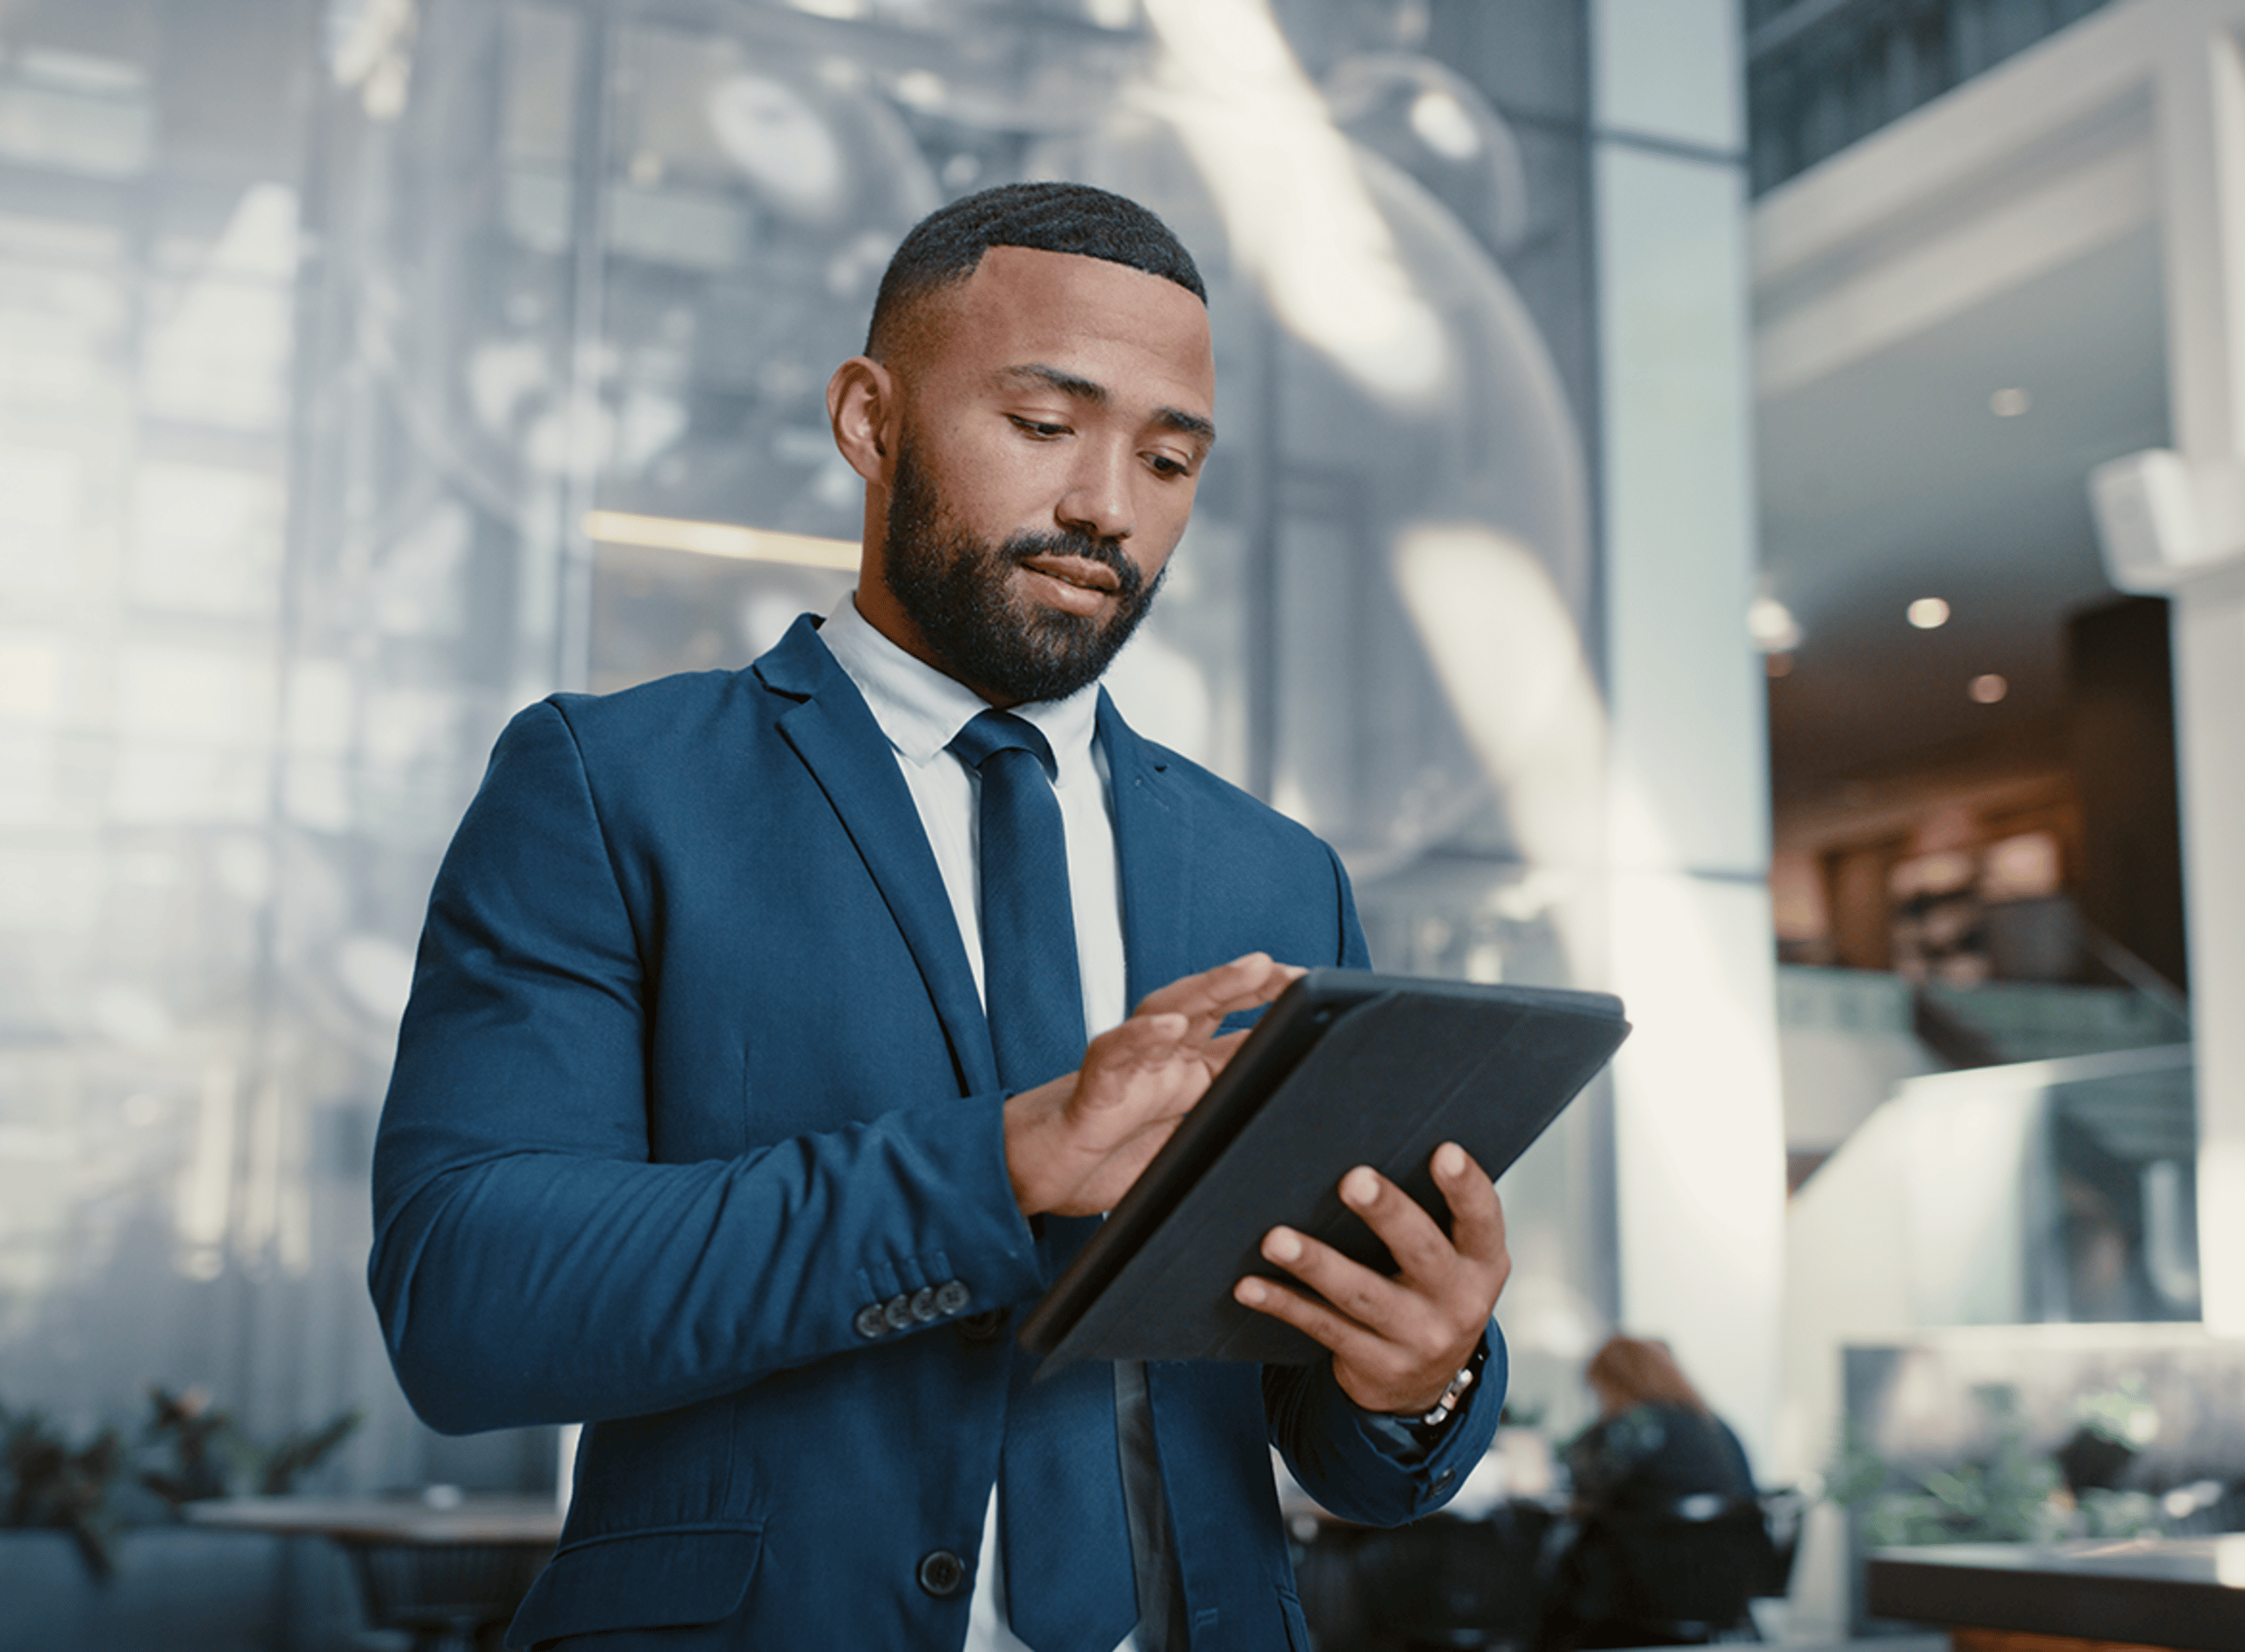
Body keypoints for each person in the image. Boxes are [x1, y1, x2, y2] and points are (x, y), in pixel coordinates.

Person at [369, 182, 1511, 1652]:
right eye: (1046, 426)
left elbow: (1334, 1436)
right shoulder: (611, 784)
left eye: (1169, 458)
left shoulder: (1280, 876)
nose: (1109, 502)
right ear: (869, 419)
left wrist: (1417, 1364)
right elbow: (471, 1296)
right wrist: (1003, 1159)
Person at [1537, 1336, 1764, 1651]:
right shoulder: (1716, 1425)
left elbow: (1583, 1478)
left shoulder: (1639, 1424)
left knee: (1543, 1592)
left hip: (1647, 1594)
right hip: (1725, 1593)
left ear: (1616, 1382)